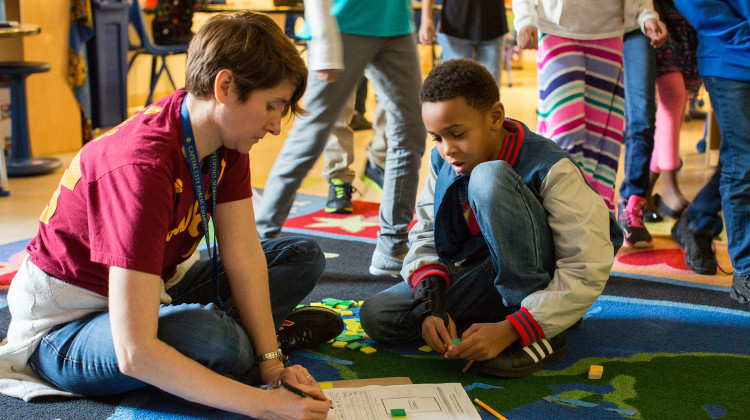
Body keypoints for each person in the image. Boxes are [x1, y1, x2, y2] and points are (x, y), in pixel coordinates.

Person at [0, 12, 342, 418]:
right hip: (67, 328)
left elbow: (245, 253)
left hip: (152, 289)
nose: (274, 126)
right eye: (272, 106)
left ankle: (241, 341)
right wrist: (264, 404)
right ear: (226, 87)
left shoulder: (224, 136)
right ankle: (232, 341)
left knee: (301, 254)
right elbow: (134, 352)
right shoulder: (141, 167)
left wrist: (270, 363)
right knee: (216, 341)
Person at [359, 59, 623, 378]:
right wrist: (430, 305)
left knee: (489, 176)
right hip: (483, 270)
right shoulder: (444, 160)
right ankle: (492, 319)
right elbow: (426, 232)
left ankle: (543, 332)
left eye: (457, 133)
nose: (447, 149)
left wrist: (514, 329)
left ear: (495, 116)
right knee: (378, 315)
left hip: (545, 282)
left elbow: (585, 266)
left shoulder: (550, 167)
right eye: (437, 138)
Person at [255, 0, 426, 276]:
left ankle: (392, 247)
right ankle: (258, 242)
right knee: (311, 134)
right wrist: (324, 40)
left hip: (395, 23)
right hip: (344, 22)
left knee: (412, 133)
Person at [513, 0, 665, 210]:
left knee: (601, 144)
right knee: (565, 131)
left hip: (609, 30)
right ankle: (556, 212)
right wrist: (525, 18)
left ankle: (594, 217)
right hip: (557, 29)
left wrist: (646, 13)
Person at [673, 0, 749, 306]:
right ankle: (745, 271)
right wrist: (741, 33)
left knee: (741, 159)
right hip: (730, 57)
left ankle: (698, 219)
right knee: (743, 164)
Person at [617, 0, 668, 248]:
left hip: (635, 30)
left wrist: (648, 16)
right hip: (583, 30)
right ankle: (584, 208)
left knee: (643, 119)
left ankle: (632, 204)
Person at [645, 0, 702, 220]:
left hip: (687, 17)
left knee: (677, 106)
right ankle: (668, 187)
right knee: (674, 96)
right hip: (657, 15)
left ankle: (645, 192)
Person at [419, 0, 509, 90]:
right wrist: (426, 17)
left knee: (490, 92)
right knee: (454, 91)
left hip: (493, 25)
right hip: (455, 27)